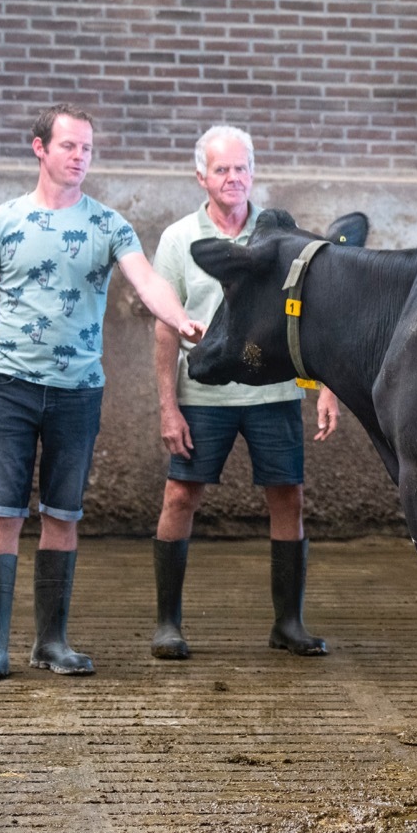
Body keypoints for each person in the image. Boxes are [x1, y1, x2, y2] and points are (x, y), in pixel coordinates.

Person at [0, 103, 205, 683]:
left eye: (87, 149)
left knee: (62, 514)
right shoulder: (2, 220)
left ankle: (51, 642)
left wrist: (181, 320)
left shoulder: (109, 224)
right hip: (10, 385)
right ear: (40, 149)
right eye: (69, 146)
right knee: (1, 514)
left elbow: (148, 279)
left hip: (78, 391)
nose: (80, 157)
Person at [149, 124, 340, 660]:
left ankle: (288, 624)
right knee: (180, 496)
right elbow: (166, 326)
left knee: (287, 497)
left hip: (274, 392)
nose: (233, 178)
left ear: (253, 171)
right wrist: (168, 407)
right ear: (201, 176)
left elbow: (307, 316)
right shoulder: (178, 239)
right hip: (203, 396)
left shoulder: (282, 237)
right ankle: (168, 624)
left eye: (241, 168)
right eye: (221, 169)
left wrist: (325, 388)